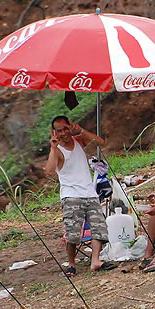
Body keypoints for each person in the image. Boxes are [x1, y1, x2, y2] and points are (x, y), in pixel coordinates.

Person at [45, 115, 113, 274]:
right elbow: (48, 171)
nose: (63, 133)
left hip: (89, 192)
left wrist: (81, 130)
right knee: (73, 233)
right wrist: (53, 148)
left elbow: (101, 142)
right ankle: (71, 264)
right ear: (54, 132)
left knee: (99, 228)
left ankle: (95, 260)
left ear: (71, 127)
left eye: (65, 129)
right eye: (59, 131)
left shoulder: (79, 140)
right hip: (71, 195)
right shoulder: (58, 150)